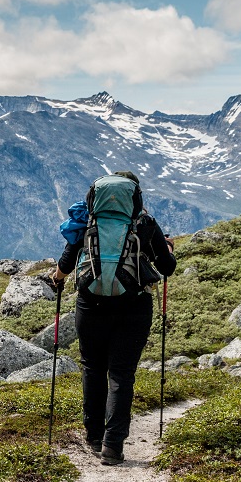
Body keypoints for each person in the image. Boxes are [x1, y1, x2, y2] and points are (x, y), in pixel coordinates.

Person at [51, 171, 176, 466]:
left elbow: (67, 262)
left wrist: (57, 279)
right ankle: (112, 445)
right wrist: (167, 247)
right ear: (135, 197)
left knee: (93, 368)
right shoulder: (145, 224)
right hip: (133, 307)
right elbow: (167, 268)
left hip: (90, 305)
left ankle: (93, 435)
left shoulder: (87, 222)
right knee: (121, 373)